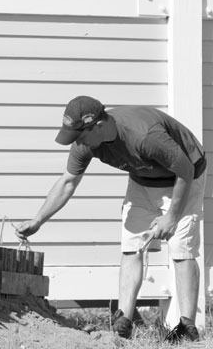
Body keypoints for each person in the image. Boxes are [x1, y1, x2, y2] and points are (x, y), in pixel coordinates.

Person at [15, 96, 206, 343]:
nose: (77, 143)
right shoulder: (86, 143)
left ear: (98, 125)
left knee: (181, 249)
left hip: (186, 174)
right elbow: (67, 182)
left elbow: (185, 170)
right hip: (142, 177)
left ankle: (186, 329)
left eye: (80, 136)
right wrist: (37, 221)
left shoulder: (144, 136)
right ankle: (123, 322)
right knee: (131, 246)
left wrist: (171, 217)